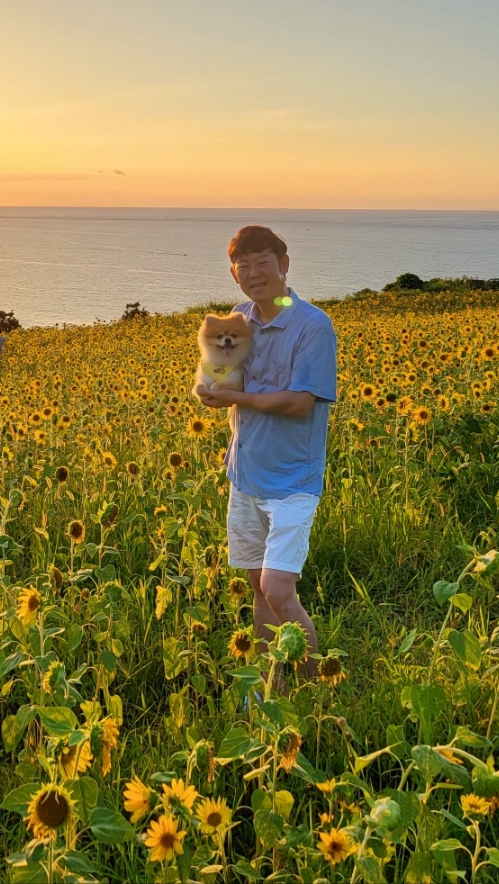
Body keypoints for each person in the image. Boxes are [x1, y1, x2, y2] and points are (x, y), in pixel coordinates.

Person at [195, 225, 337, 680]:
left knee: (278, 588)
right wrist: (210, 387)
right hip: (246, 471)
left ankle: (315, 684)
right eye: (244, 266)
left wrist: (235, 398)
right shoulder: (238, 318)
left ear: (284, 265)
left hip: (293, 480)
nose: (254, 273)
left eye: (263, 263)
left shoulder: (311, 325)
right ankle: (268, 680)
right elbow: (220, 377)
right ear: (234, 274)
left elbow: (300, 403)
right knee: (258, 585)